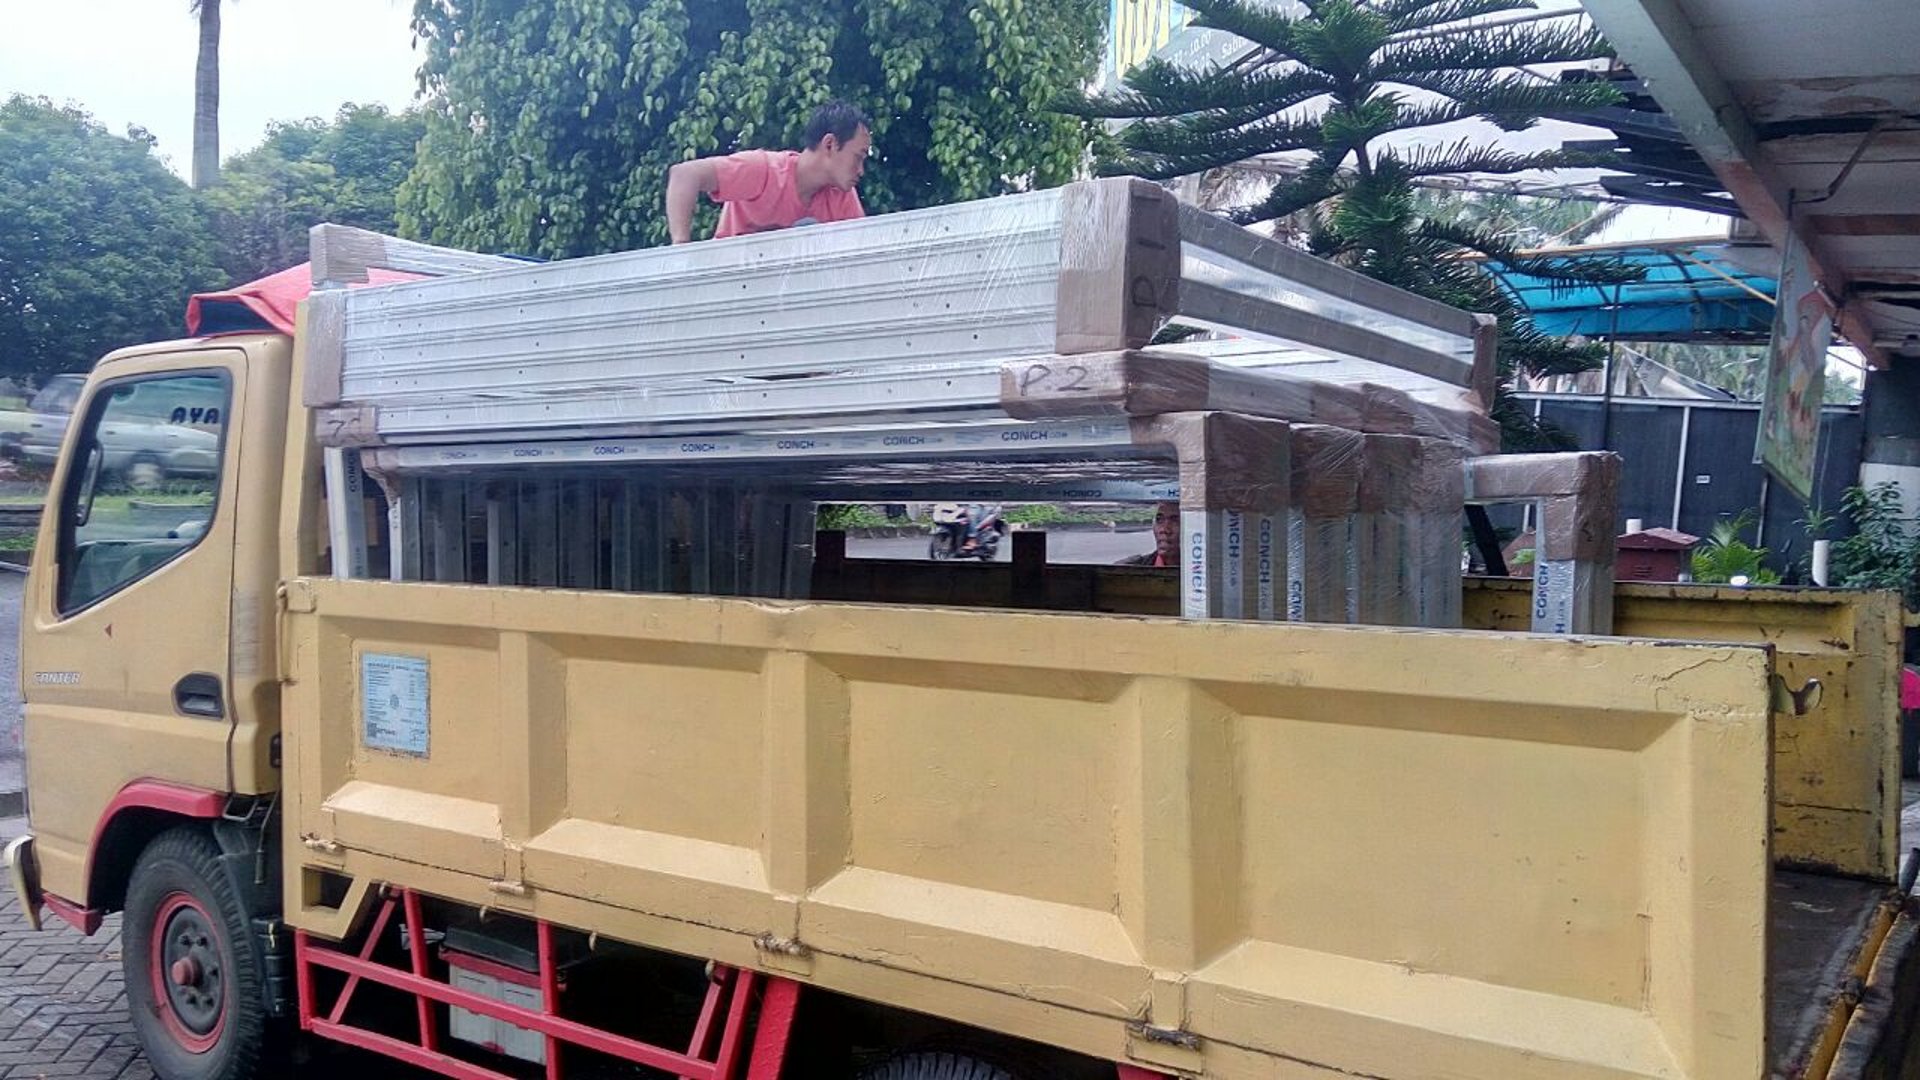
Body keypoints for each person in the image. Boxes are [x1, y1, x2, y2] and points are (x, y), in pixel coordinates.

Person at [664, 100, 871, 244]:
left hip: (794, 298)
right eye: (858, 157)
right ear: (830, 144)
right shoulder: (764, 170)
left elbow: (863, 254)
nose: (860, 170)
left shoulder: (841, 195)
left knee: (807, 230)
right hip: (734, 287)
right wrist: (682, 253)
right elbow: (685, 175)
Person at [1118, 501, 1180, 567]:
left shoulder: (1190, 573)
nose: (1164, 530)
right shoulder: (1127, 570)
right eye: (1159, 520)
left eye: (1175, 521)